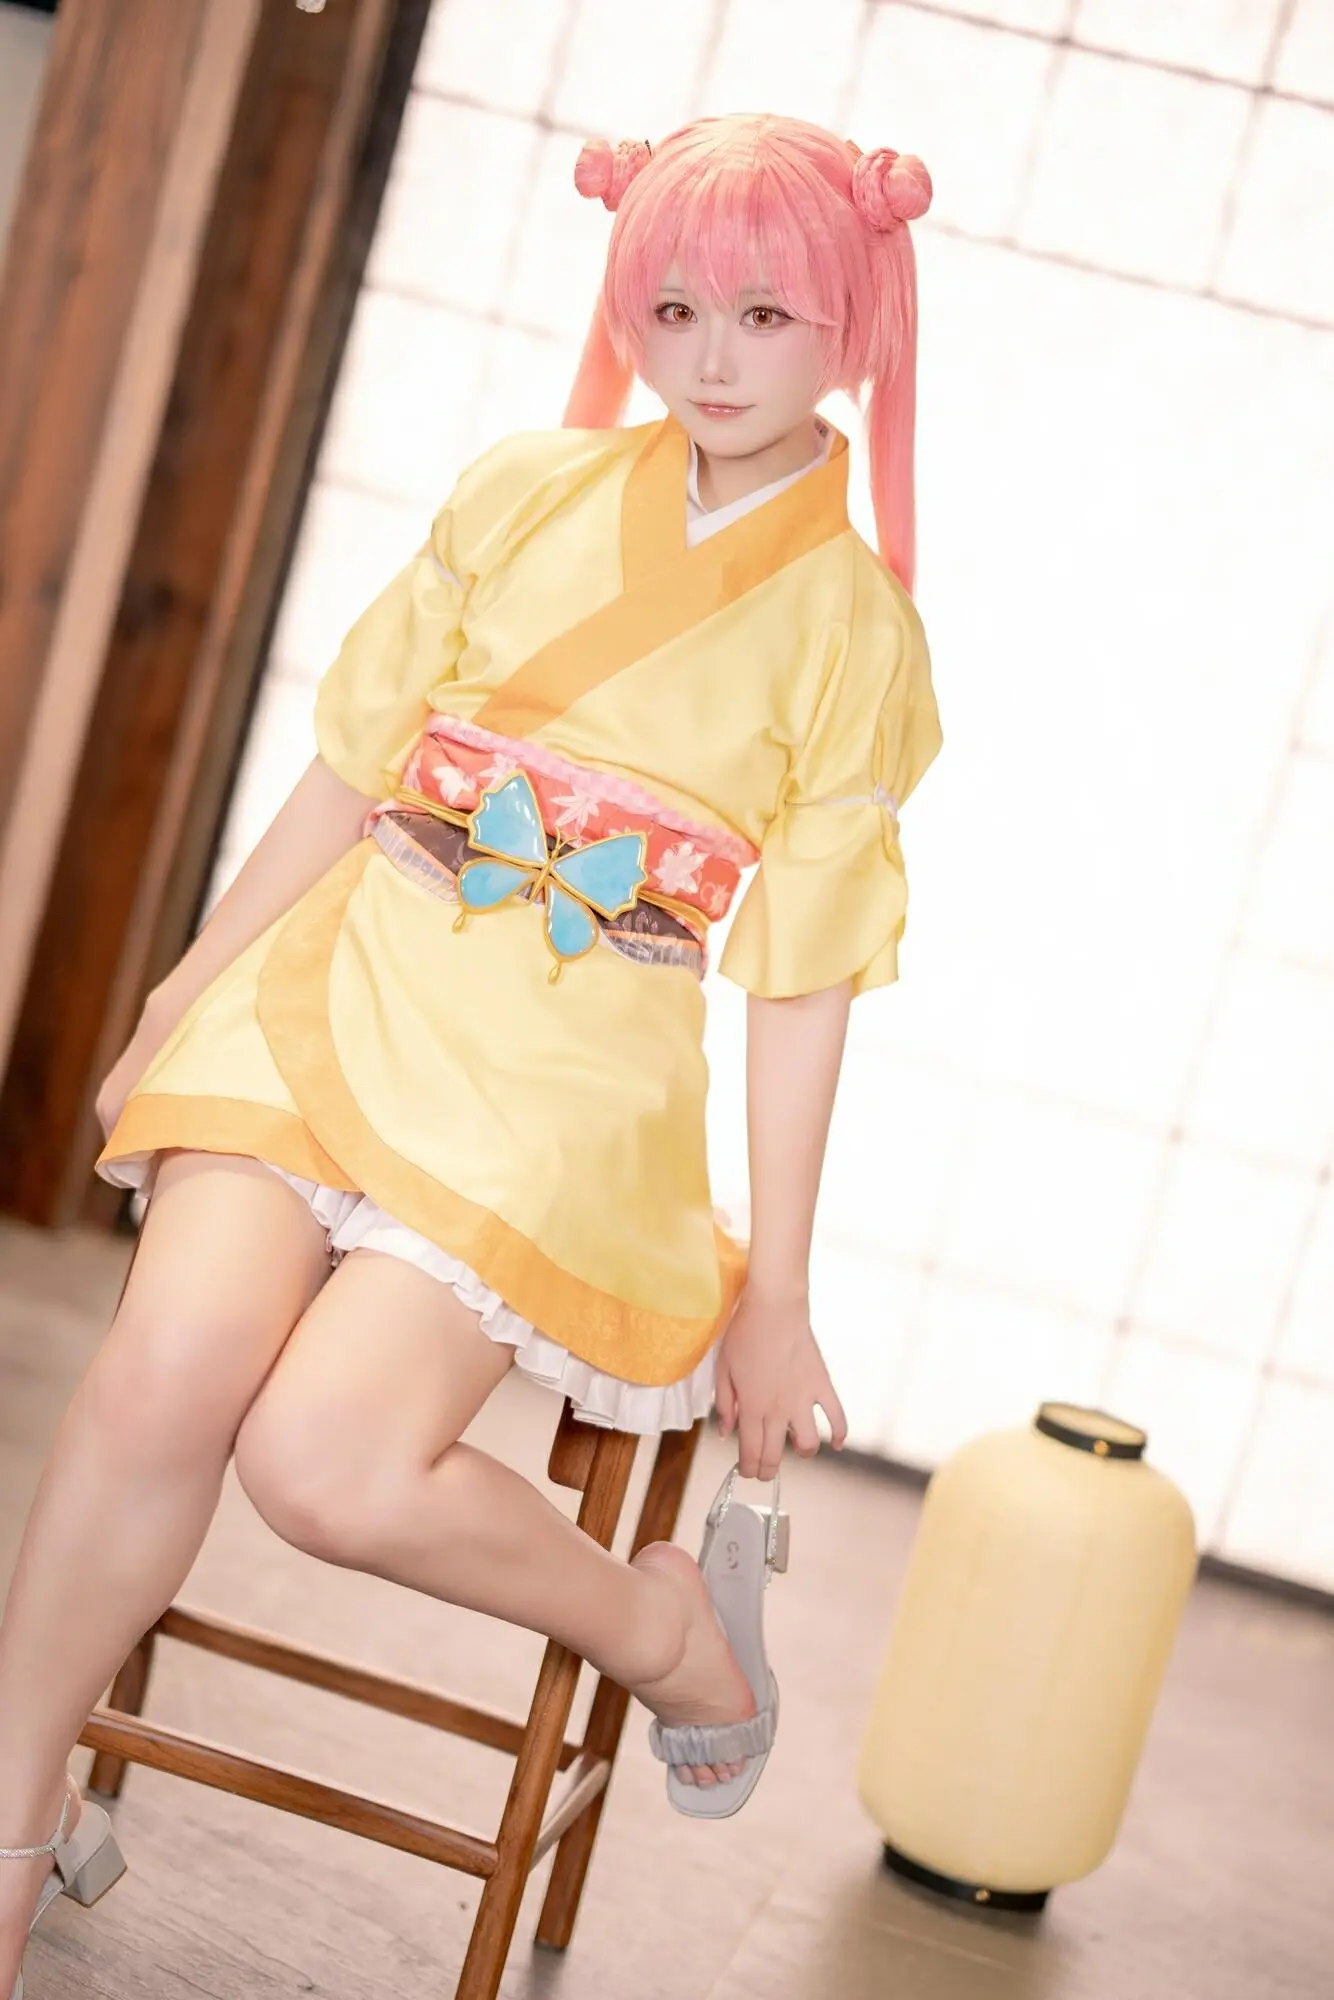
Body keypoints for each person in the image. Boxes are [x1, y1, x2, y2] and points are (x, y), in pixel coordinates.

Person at [0, 111, 942, 1989]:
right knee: (161, 1372)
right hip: (339, 986)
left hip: (566, 1088)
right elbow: (353, 767)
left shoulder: (855, 634)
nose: (710, 358)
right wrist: (185, 990)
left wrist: (778, 1289)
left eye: (764, 314)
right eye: (671, 310)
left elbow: (803, 981)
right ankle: (14, 1819)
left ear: (854, 324)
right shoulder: (520, 489)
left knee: (326, 1468)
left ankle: (653, 1630)